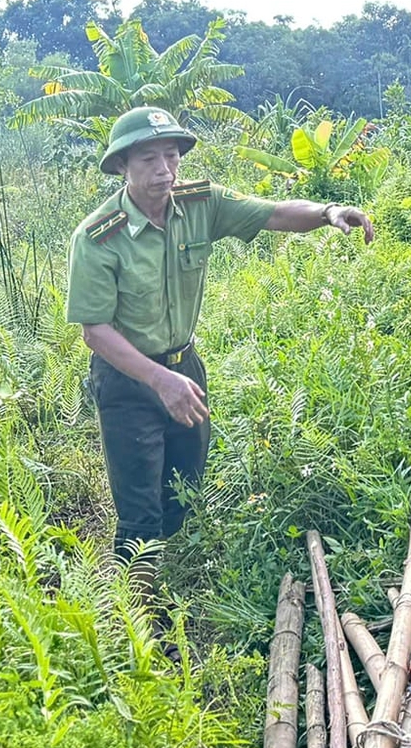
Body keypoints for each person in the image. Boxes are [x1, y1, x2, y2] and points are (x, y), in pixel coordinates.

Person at [64, 105, 375, 565]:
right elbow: (96, 332)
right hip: (126, 378)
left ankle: (181, 583)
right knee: (139, 513)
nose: (164, 170)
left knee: (186, 489)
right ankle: (139, 618)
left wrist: (328, 211)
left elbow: (274, 214)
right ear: (121, 166)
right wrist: (158, 380)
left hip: (184, 367)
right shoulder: (97, 237)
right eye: (148, 159)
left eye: (171, 156)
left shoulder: (200, 203)